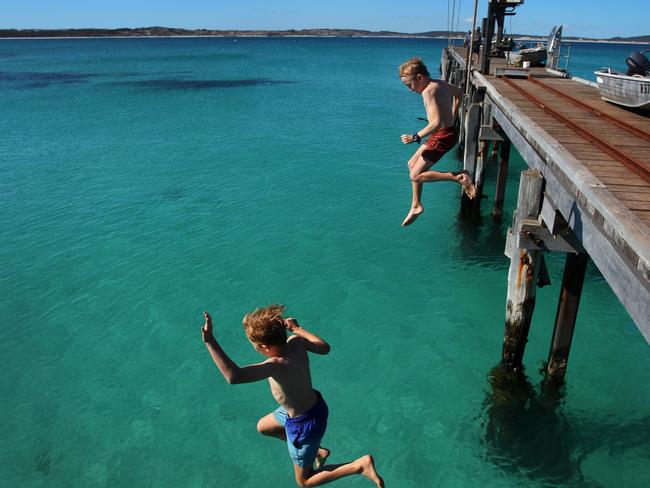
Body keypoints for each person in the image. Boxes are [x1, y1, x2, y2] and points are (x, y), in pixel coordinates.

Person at [200, 306, 384, 487]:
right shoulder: (297, 342)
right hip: (314, 406)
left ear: (264, 346)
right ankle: (318, 452)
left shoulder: (276, 364)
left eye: (253, 344)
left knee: (304, 481)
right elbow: (324, 348)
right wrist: (297, 329)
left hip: (303, 425)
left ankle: (359, 466)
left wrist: (210, 341)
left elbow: (234, 376)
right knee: (263, 427)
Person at [398, 57, 476, 227]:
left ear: (419, 77)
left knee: (415, 175)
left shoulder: (428, 91)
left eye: (409, 85)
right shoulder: (440, 83)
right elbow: (459, 94)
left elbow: (435, 123)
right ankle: (416, 205)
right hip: (444, 133)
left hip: (443, 136)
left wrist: (415, 136)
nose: (410, 90)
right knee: (412, 164)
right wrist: (453, 115)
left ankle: (459, 177)